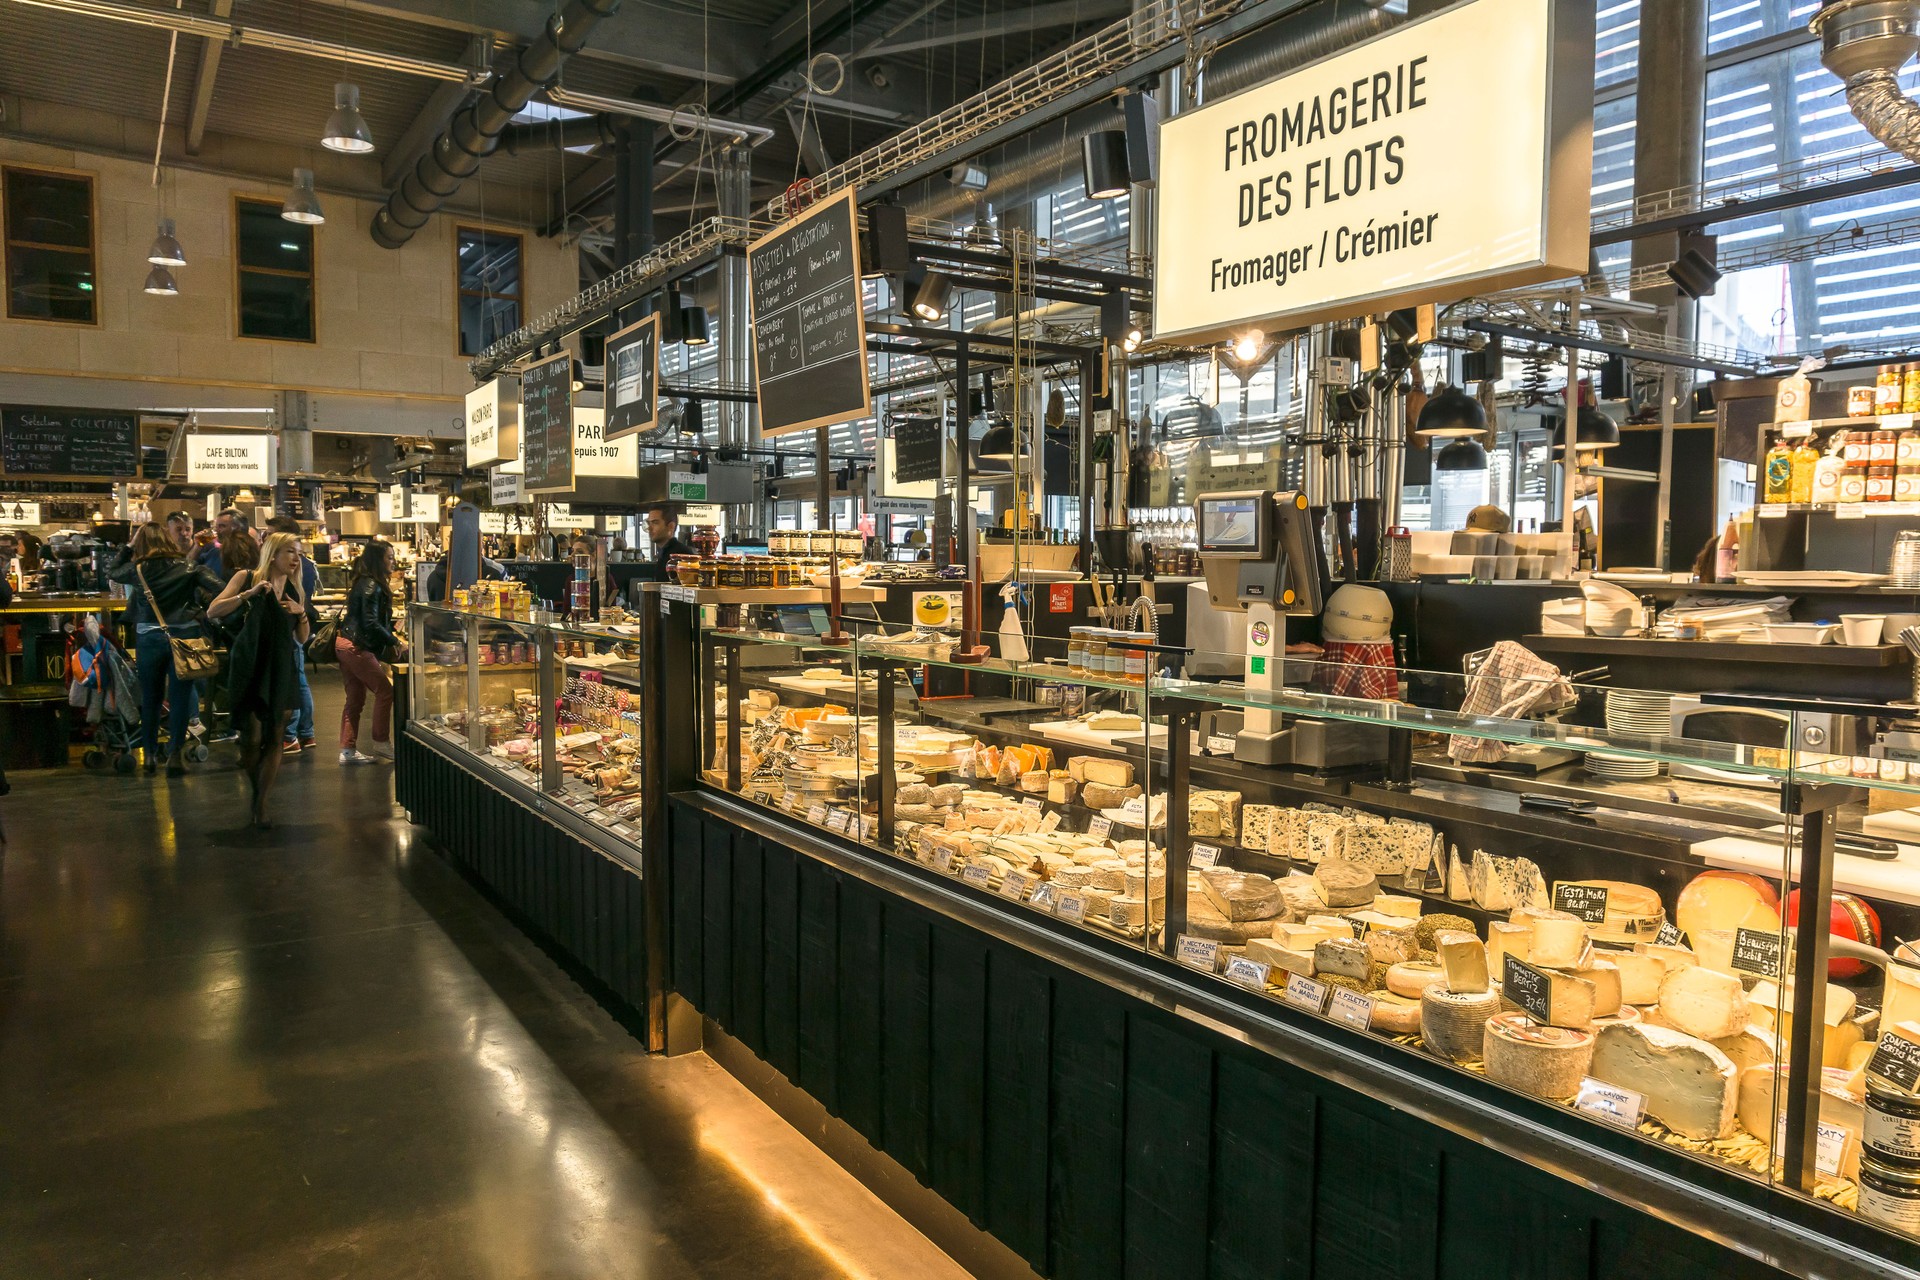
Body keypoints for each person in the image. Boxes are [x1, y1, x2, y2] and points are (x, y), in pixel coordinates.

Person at [205, 531, 311, 828]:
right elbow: (214, 610)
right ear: (273, 553)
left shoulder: (295, 589)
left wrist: (301, 613)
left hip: (281, 666)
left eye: (299, 553)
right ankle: (255, 790)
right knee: (250, 740)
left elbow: (301, 639)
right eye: (290, 551)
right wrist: (247, 595)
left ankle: (262, 801)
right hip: (250, 664)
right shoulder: (247, 577)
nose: (295, 558)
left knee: (276, 735)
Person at [110, 523, 224, 775]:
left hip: (148, 639)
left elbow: (112, 570)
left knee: (150, 699)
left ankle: (150, 755)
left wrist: (128, 546)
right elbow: (220, 588)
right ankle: (174, 756)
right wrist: (203, 611)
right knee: (180, 698)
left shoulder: (137, 570)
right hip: (185, 638)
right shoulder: (189, 567)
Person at [337, 540, 405, 765]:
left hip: (345, 643)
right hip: (357, 646)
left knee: (355, 698)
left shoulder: (364, 581)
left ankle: (347, 750)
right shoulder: (372, 585)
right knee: (385, 691)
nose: (393, 561)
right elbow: (371, 622)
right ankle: (381, 743)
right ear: (378, 559)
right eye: (389, 557)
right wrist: (395, 641)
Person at [266, 516, 320, 753]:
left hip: (289, 632)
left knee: (294, 683)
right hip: (293, 629)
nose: (266, 539)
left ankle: (291, 734)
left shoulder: (294, 570)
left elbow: (297, 603)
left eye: (271, 535)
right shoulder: (307, 564)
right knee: (299, 682)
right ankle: (305, 733)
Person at [645, 506, 692, 575]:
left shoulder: (680, 555)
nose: (649, 528)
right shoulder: (663, 554)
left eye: (655, 523)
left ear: (671, 526)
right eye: (649, 523)